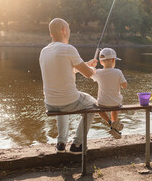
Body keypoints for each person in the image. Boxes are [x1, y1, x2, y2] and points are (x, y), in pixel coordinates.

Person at [39, 18, 98, 154]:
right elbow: (88, 74)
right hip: (68, 101)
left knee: (62, 101)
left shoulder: (44, 51)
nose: (69, 32)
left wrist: (86, 63)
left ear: (51, 34)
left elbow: (65, 70)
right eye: (69, 29)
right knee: (93, 104)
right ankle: (77, 144)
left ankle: (61, 143)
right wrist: (92, 69)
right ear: (64, 30)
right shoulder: (68, 49)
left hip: (50, 103)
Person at [91, 48, 127, 139]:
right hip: (116, 103)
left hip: (102, 104)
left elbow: (89, 73)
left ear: (101, 62)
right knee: (114, 107)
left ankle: (110, 123)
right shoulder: (118, 72)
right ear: (113, 60)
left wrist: (92, 67)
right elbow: (125, 86)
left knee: (98, 107)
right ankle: (114, 125)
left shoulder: (98, 72)